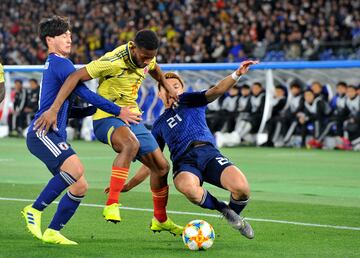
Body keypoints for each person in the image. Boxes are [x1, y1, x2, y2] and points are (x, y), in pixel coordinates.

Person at [33, 29, 183, 235]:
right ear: (133, 47)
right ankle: (112, 203)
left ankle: (160, 219)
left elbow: (155, 69)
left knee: (162, 167)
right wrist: (54, 109)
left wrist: (167, 86)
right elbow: (74, 77)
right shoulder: (112, 61)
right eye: (143, 56)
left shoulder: (148, 57)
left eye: (150, 56)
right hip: (106, 117)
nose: (147, 60)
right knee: (131, 145)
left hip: (131, 116)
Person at [22, 16, 132, 245]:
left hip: (52, 133)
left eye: (70, 35)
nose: (69, 39)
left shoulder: (56, 65)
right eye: (64, 35)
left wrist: (95, 110)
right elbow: (85, 93)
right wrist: (117, 110)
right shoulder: (61, 64)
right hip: (43, 133)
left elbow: (71, 110)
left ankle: (53, 232)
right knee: (76, 168)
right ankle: (34, 209)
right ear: (49, 40)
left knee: (80, 185)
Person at [122, 60, 259, 239]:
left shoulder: (189, 100)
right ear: (160, 93)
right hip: (184, 163)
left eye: (177, 86)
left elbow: (216, 90)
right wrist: (128, 185)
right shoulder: (158, 125)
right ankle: (223, 209)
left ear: (182, 89)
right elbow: (152, 163)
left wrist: (237, 74)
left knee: (242, 188)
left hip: (209, 154)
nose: (173, 90)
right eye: (167, 87)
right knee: (188, 187)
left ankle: (232, 214)